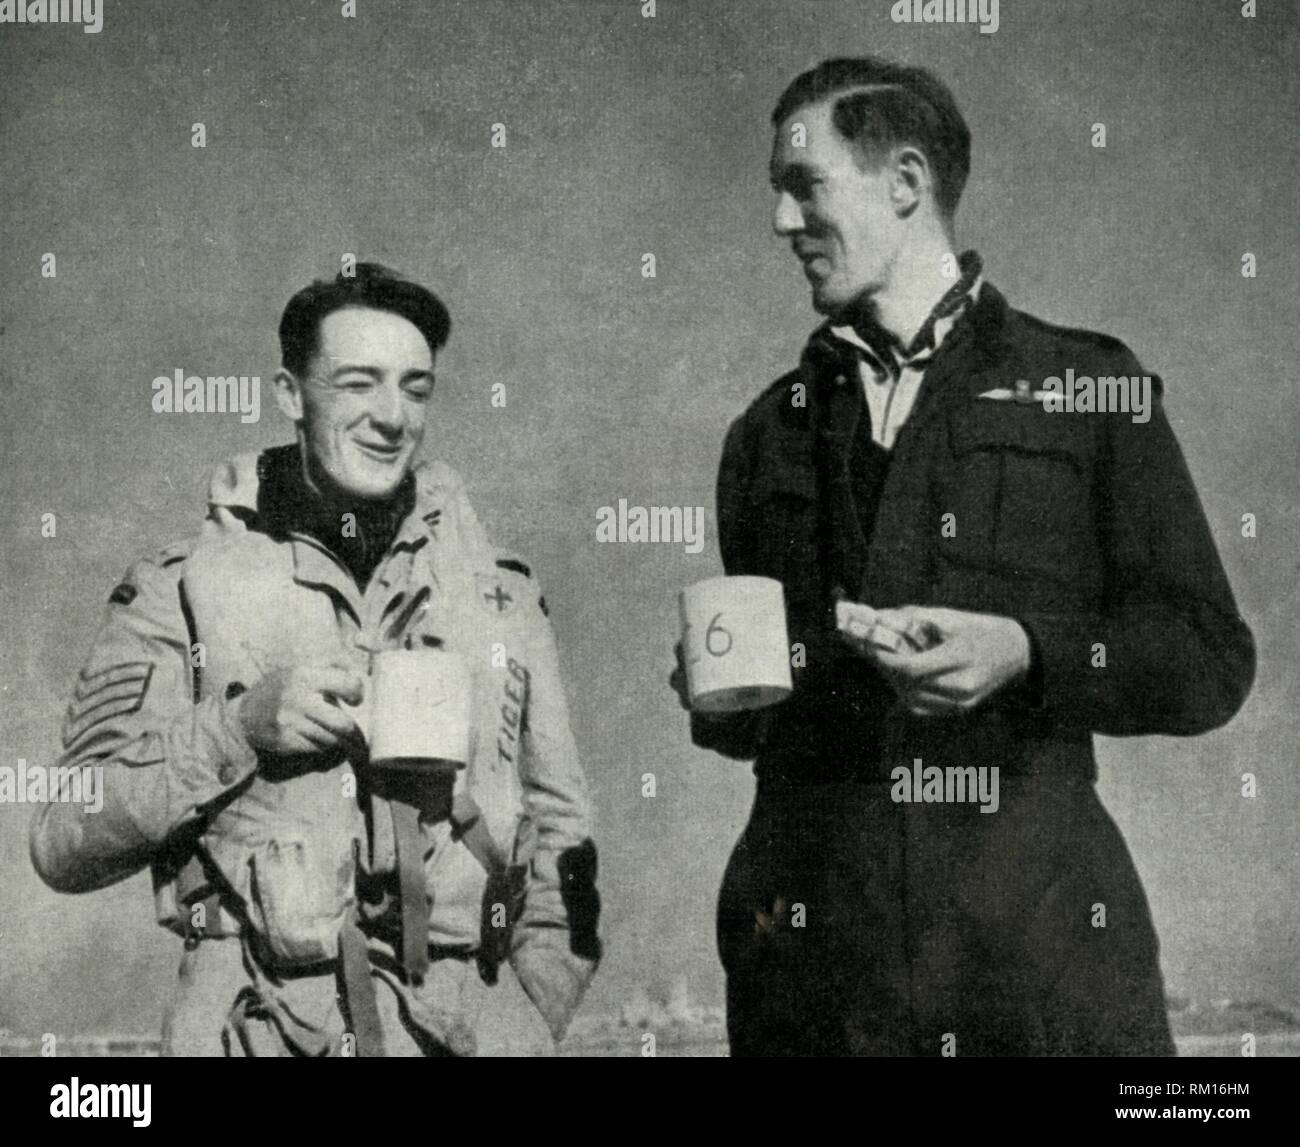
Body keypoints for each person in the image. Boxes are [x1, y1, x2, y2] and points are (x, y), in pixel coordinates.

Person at [671, 57, 1254, 1056]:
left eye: (802, 185)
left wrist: (1026, 652)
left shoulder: (1088, 386)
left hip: (1034, 977)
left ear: (904, 182)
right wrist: (723, 698)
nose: (778, 219)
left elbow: (1206, 657)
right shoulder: (765, 433)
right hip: (816, 985)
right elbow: (768, 717)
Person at [31, 263, 601, 1056]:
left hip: (469, 1033)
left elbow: (566, 832)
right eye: (359, 383)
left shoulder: (499, 592)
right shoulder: (180, 588)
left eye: (415, 387)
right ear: (290, 395)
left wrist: (532, 1010)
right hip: (253, 1033)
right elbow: (63, 836)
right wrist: (237, 728)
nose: (392, 416)